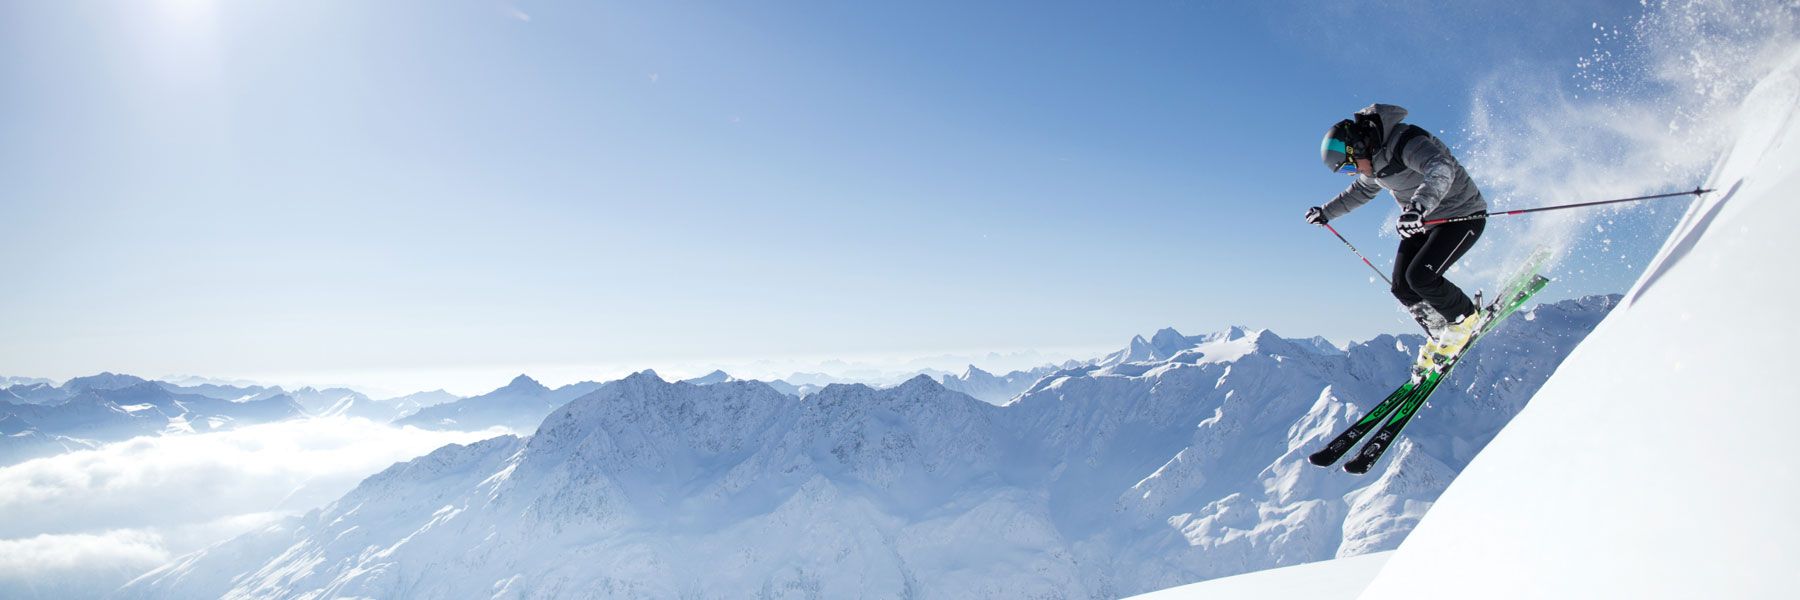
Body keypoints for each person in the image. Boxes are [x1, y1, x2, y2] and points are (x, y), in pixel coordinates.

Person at [1305, 104, 1489, 346]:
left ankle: (1466, 318)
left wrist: (1417, 207)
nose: (1353, 173)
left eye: (1350, 166)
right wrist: (1326, 213)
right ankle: (1441, 332)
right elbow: (1360, 191)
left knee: (1421, 277)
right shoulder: (1374, 164)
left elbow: (1441, 167)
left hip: (1460, 214)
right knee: (1402, 287)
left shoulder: (1406, 142)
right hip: (1422, 221)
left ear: (1359, 147)